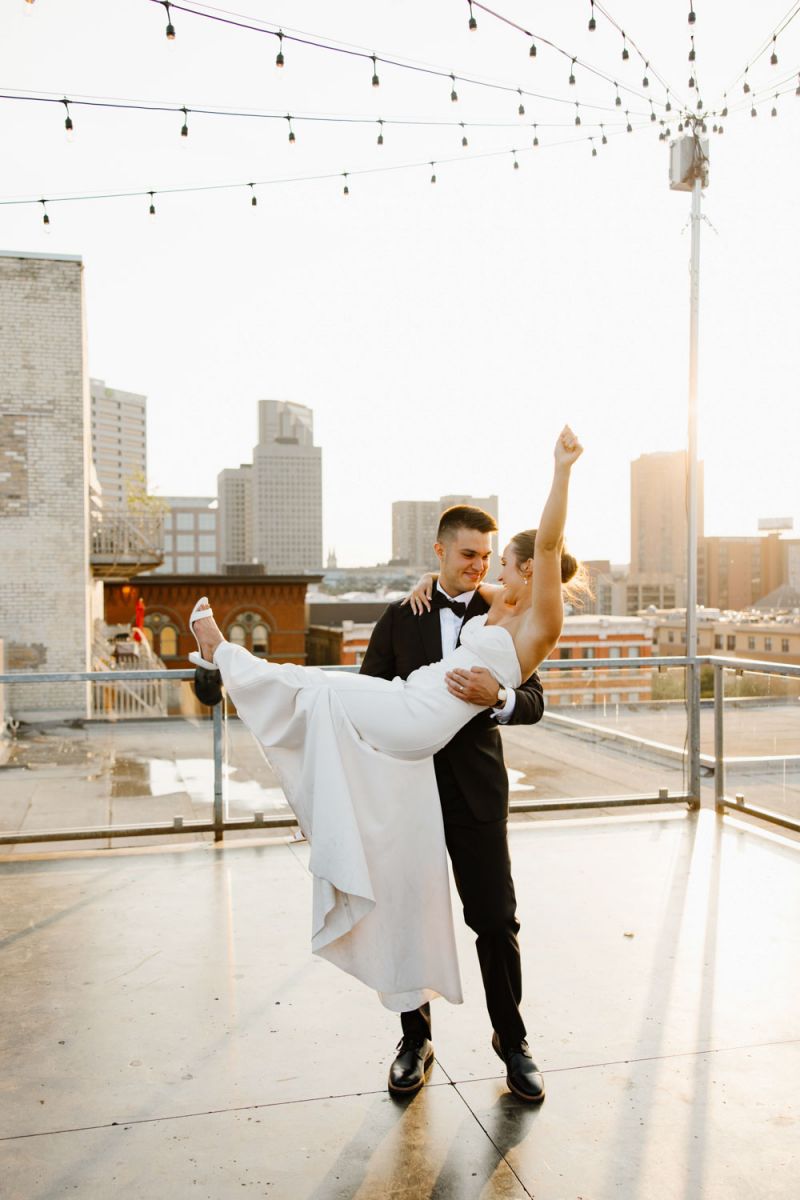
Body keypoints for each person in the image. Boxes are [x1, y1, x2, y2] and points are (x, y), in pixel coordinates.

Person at [188, 425, 583, 1102]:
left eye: (494, 559)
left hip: (473, 789)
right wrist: (425, 588)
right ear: (441, 553)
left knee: (495, 917)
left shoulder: (524, 613)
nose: (482, 569)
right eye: (469, 556)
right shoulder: (415, 611)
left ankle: (512, 1042)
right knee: (400, 901)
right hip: (405, 779)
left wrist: (502, 697)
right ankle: (415, 1039)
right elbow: (371, 688)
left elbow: (536, 686)